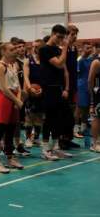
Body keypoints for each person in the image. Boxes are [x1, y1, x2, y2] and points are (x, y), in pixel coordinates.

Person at [0, 43, 24, 173]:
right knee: (0, 130)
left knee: (11, 130)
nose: (15, 51)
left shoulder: (12, 66)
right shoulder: (0, 66)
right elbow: (3, 88)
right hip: (4, 98)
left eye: (15, 49)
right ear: (3, 52)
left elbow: (18, 86)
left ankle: (10, 157)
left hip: (13, 97)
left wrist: (18, 99)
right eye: (12, 49)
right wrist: (16, 100)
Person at [39, 24, 70, 160]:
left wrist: (66, 88)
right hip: (48, 88)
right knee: (49, 119)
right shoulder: (44, 49)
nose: (60, 40)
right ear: (52, 34)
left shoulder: (58, 49)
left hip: (58, 88)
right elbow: (58, 63)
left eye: (62, 38)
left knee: (58, 119)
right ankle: (45, 149)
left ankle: (56, 147)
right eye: (59, 37)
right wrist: (65, 48)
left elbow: (64, 68)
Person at [23, 39, 45, 148]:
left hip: (42, 91)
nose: (35, 49)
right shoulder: (28, 60)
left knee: (39, 116)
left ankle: (36, 138)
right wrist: (29, 87)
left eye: (37, 47)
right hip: (30, 91)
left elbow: (47, 77)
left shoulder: (46, 61)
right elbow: (26, 76)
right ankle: (28, 138)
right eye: (34, 46)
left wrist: (43, 89)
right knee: (29, 116)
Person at [76, 41, 95, 137]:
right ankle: (75, 129)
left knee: (87, 108)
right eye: (87, 48)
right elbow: (77, 73)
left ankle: (83, 129)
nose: (89, 49)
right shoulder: (80, 60)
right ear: (83, 49)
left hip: (90, 86)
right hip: (81, 86)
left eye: (90, 47)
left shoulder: (92, 60)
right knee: (79, 108)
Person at [88, 55, 100, 152]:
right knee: (97, 117)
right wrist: (92, 99)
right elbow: (90, 81)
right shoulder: (96, 62)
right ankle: (94, 143)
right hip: (98, 94)